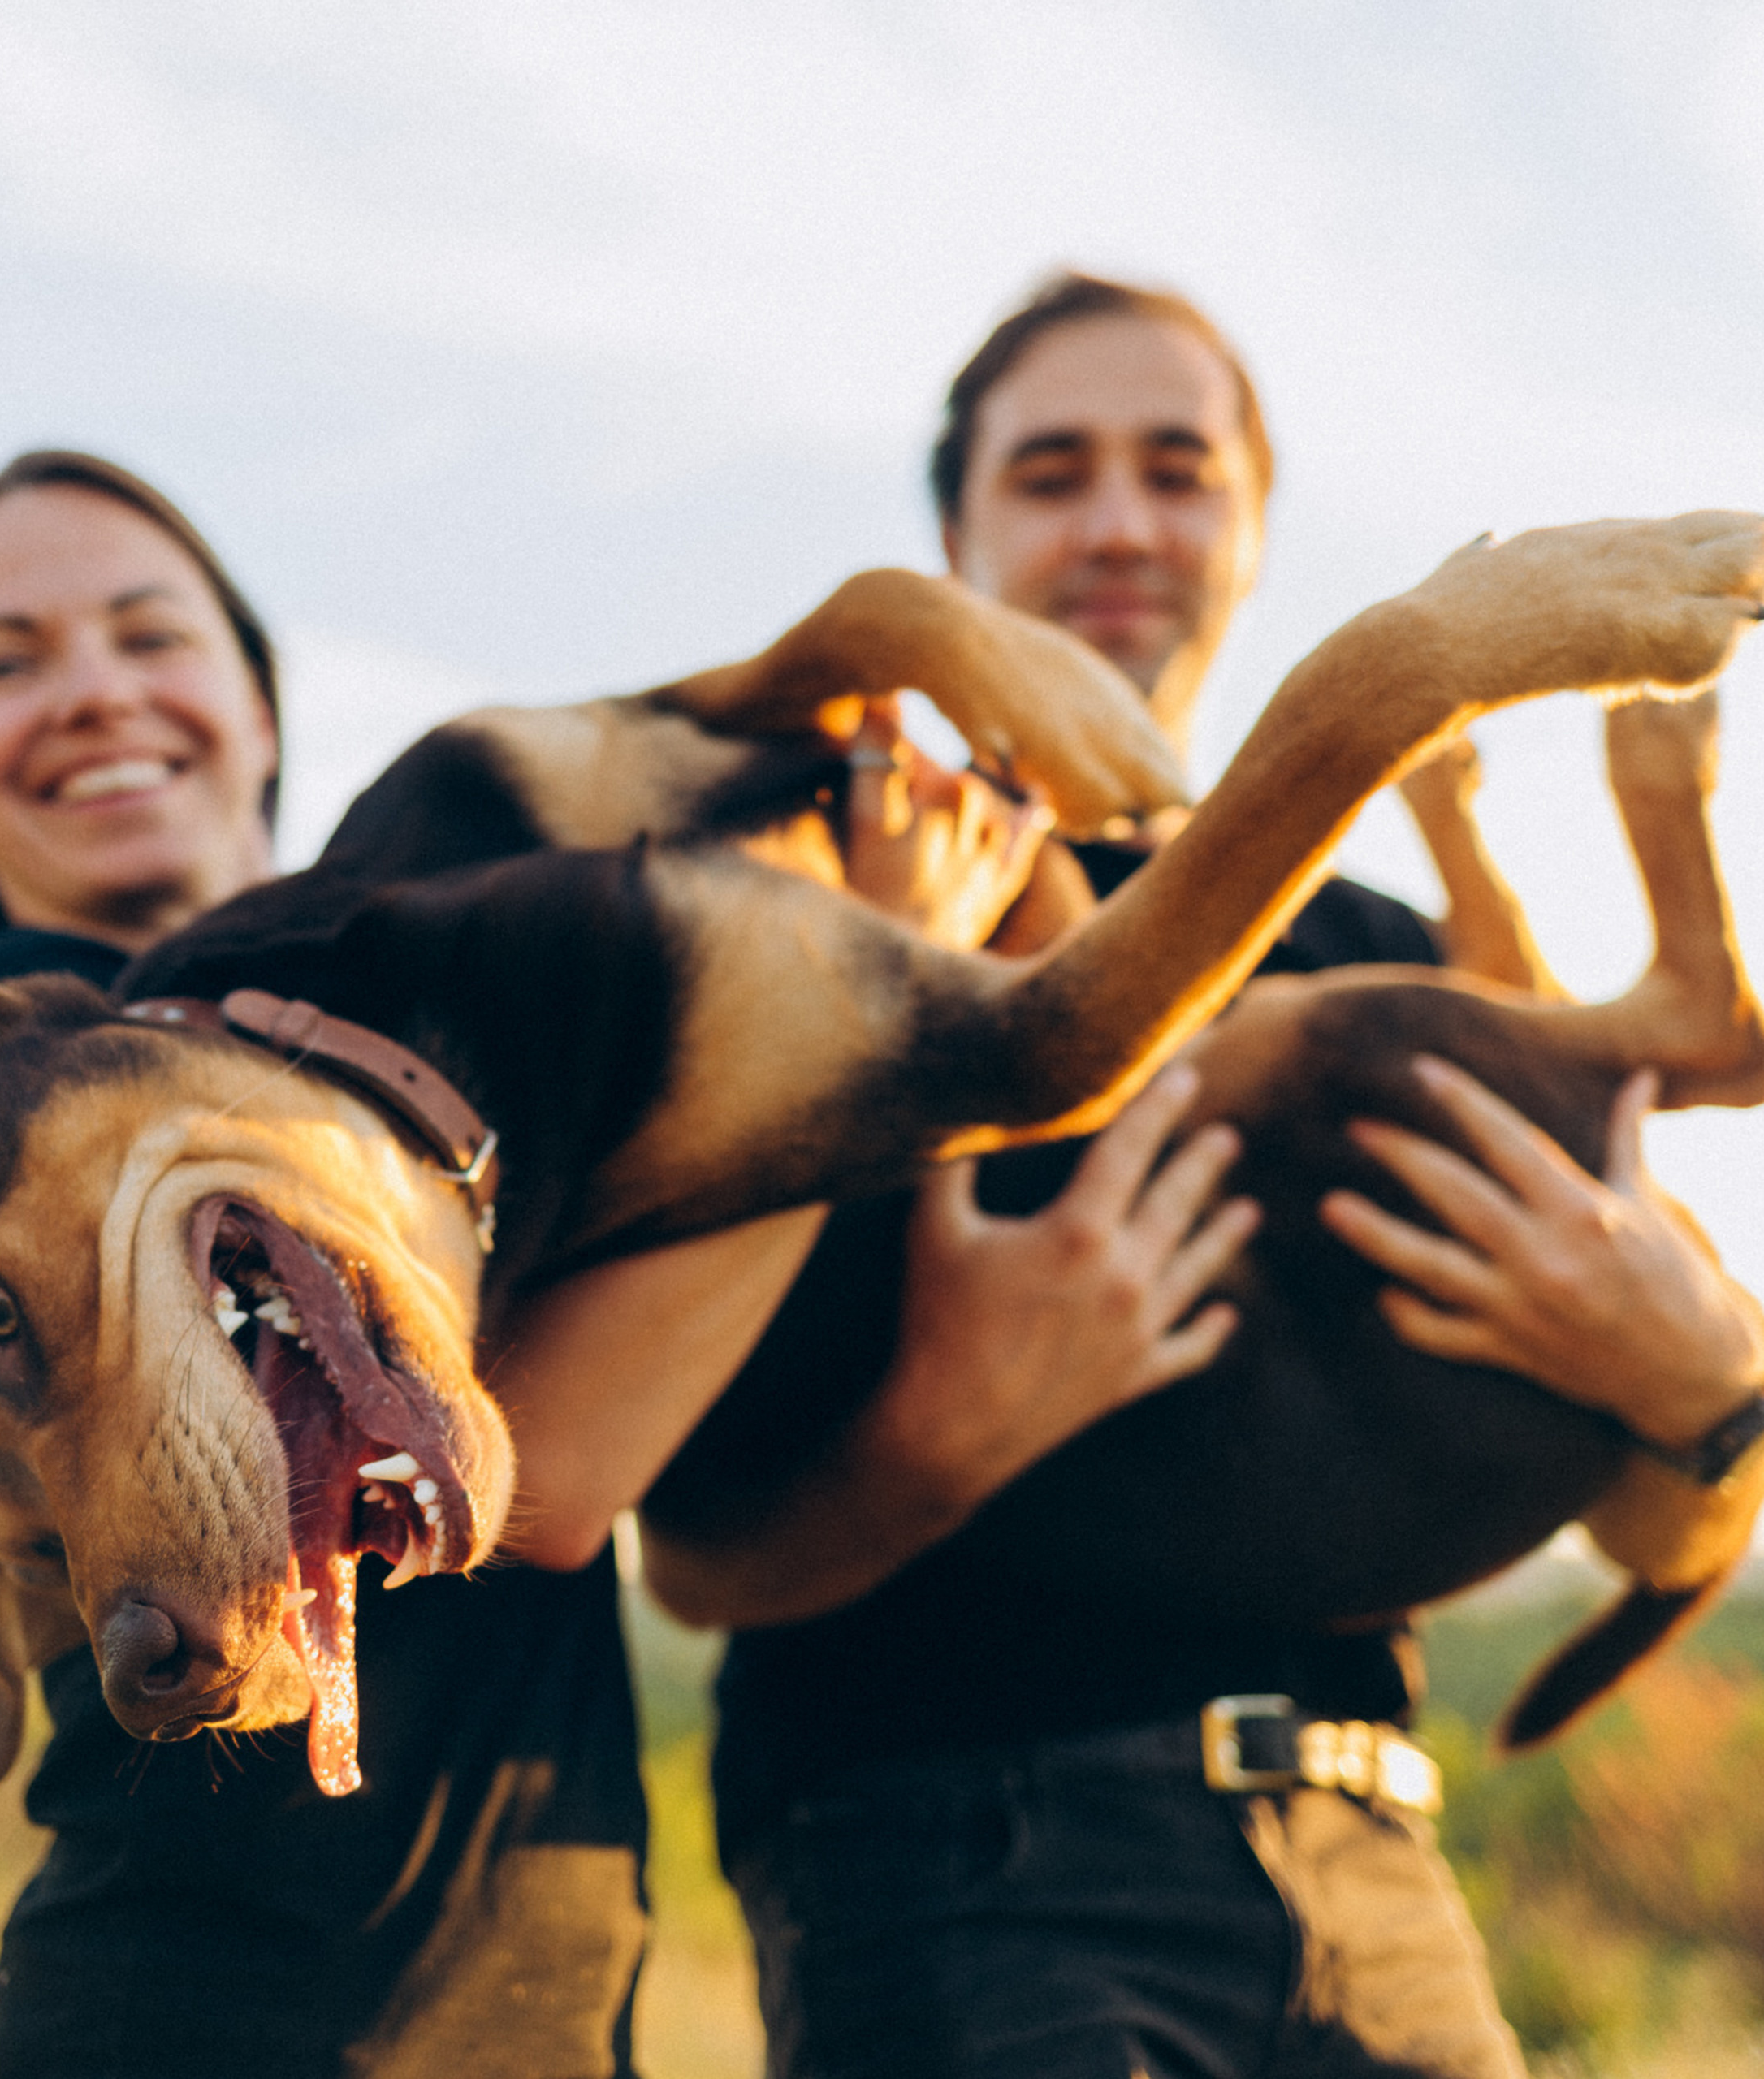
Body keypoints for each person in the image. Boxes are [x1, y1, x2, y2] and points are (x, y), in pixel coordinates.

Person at [640, 274, 1764, 2078]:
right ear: (957, 534)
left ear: (1245, 529)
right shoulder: (820, 908)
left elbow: (1652, 1523)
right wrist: (940, 1427)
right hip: (948, 1869)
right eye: (1052, 470)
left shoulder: (1374, 945)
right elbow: (686, 1563)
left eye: (1176, 470)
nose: (1117, 522)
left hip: (1378, 1881)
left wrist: (1694, 1379)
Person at [0, 447, 1046, 2076]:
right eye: (5, 662)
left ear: (257, 709)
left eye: (149, 636)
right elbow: (545, 1477)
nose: (94, 695)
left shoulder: (377, 1048)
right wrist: (857, 1007)